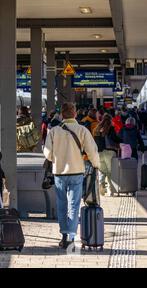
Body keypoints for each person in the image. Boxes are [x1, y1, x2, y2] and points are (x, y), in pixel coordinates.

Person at [43, 102, 100, 249]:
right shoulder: (82, 130)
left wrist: (58, 156)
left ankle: (63, 237)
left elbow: (48, 154)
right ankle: (71, 237)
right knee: (74, 205)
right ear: (74, 114)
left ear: (62, 114)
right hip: (77, 172)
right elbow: (92, 151)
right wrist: (96, 165)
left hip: (59, 173)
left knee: (62, 205)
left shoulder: (54, 131)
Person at [93, 113, 121, 196]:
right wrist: (121, 140)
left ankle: (101, 185)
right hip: (110, 152)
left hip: (99, 153)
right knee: (110, 172)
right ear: (110, 120)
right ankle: (111, 190)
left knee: (102, 171)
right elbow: (115, 139)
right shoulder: (111, 128)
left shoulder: (97, 129)